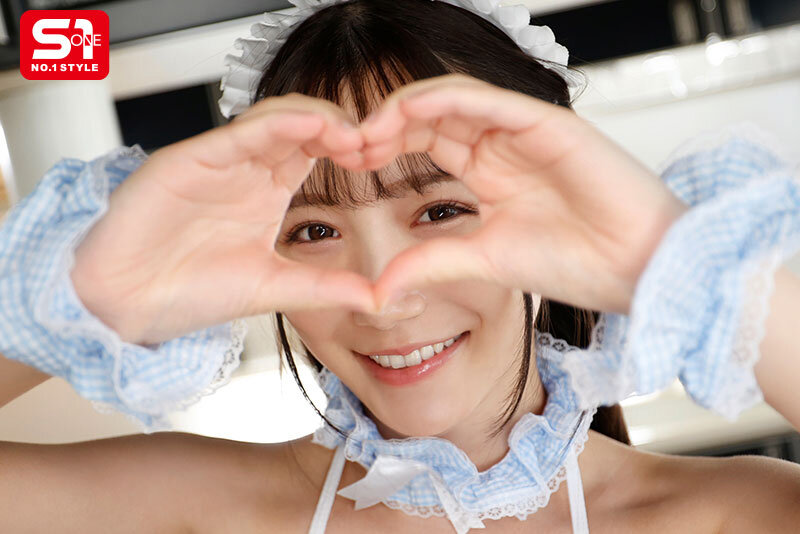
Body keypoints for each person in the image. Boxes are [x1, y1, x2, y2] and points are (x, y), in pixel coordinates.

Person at [1, 0, 800, 532]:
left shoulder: (731, 516)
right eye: (314, 229)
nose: (383, 296)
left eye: (440, 211)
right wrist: (82, 298)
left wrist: (675, 261)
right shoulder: (194, 508)